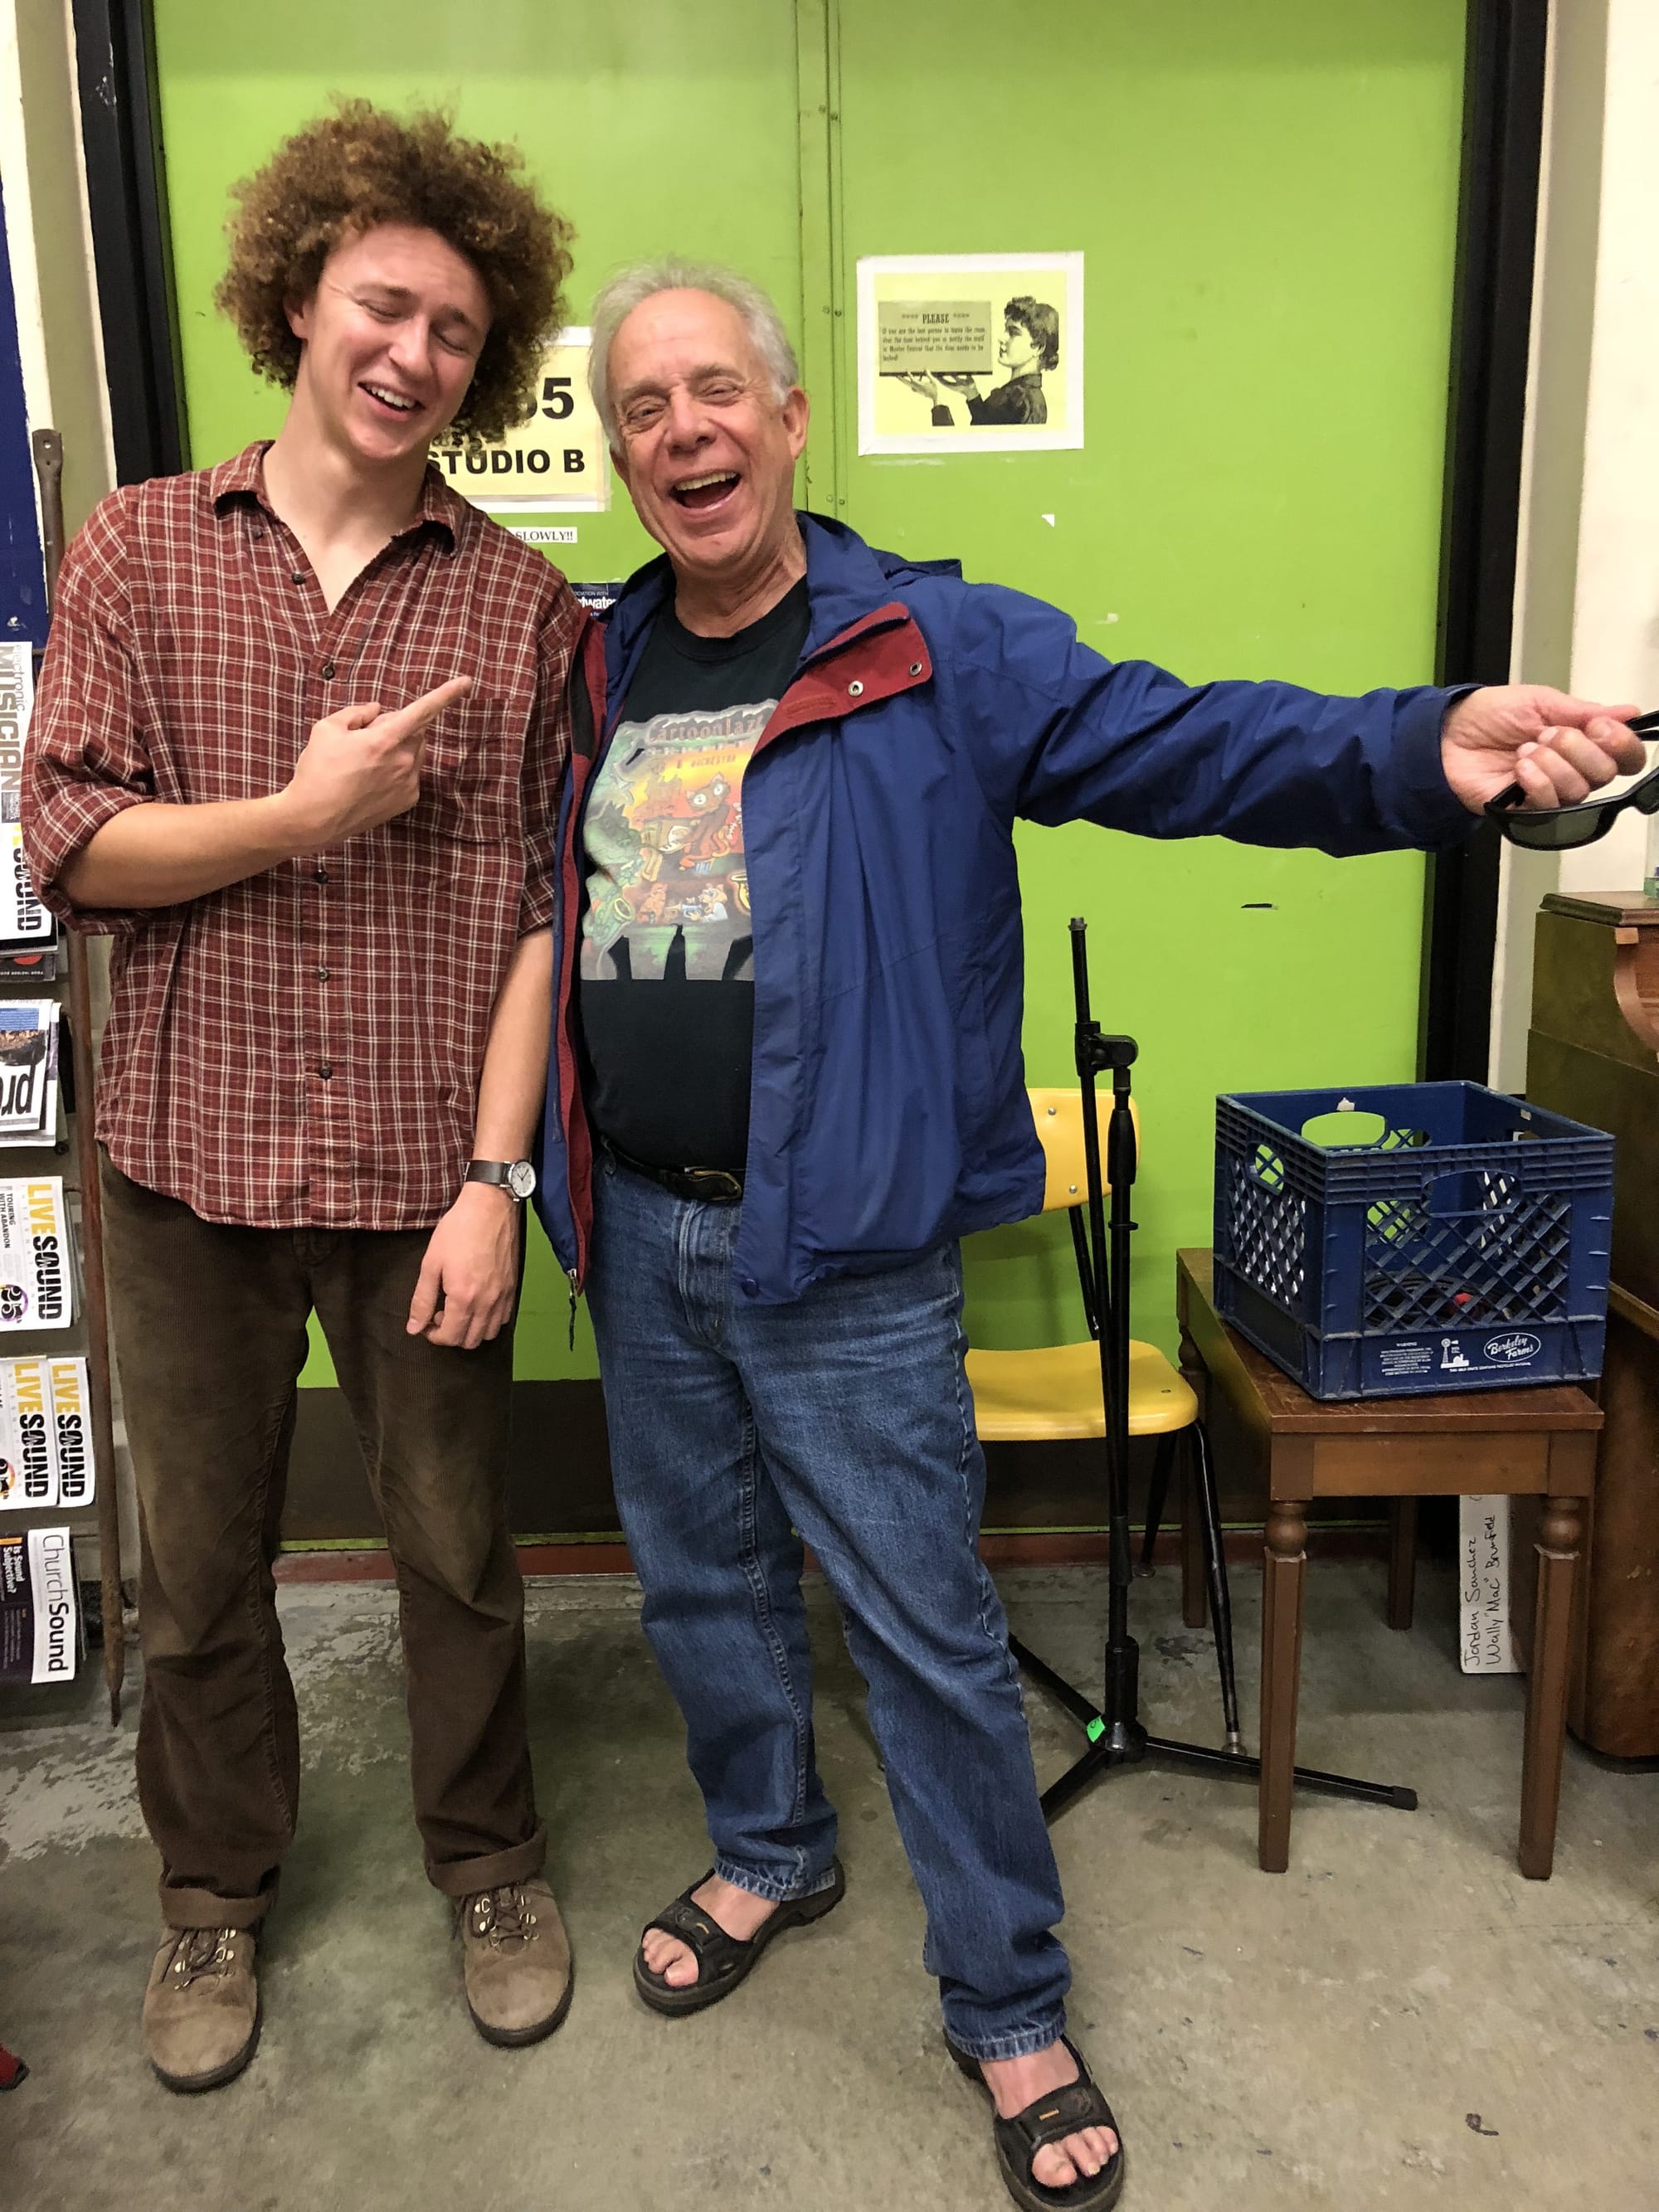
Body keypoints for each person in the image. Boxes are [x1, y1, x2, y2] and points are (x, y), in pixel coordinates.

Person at [535, 255, 1642, 2212]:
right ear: (619, 450)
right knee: (701, 1585)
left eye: (718, 390)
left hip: (847, 1253)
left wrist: (1416, 750)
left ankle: (1007, 1997)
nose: (682, 431)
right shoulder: (604, 661)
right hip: (640, 1228)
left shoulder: (930, 647)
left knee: (926, 1638)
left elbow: (1191, 742)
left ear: (788, 420)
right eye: (642, 406)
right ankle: (768, 1846)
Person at [22, 103, 583, 2092]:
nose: (413, 351)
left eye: (454, 325)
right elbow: (70, 844)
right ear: (293, 299)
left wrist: (497, 1181)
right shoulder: (140, 551)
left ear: (483, 364)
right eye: (381, 303)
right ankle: (212, 1900)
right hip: (184, 1168)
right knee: (198, 1574)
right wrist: (300, 815)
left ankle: (491, 1863)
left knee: (454, 1552)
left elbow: (537, 914)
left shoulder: (515, 608)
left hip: (421, 1173)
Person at [900, 293, 1058, 425]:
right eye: (1005, 330)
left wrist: (937, 399)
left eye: (1013, 332)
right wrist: (971, 392)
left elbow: (964, 453)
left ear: (1038, 347)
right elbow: (987, 423)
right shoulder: (1016, 395)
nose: (1002, 339)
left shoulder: (1027, 402)